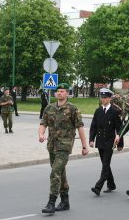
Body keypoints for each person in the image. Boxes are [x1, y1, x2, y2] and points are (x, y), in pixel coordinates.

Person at [38, 83, 89, 214]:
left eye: (62, 91)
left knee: (54, 172)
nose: (59, 93)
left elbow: (80, 128)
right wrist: (41, 134)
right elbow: (43, 123)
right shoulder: (49, 108)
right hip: (52, 146)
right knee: (60, 173)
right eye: (58, 91)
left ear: (67, 93)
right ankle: (65, 201)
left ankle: (51, 202)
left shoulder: (73, 109)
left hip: (64, 147)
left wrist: (84, 146)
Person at [90, 88, 123, 196]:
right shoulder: (98, 111)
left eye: (105, 98)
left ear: (109, 98)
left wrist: (120, 144)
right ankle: (112, 184)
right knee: (105, 165)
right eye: (102, 98)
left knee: (105, 164)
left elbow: (119, 129)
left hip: (110, 142)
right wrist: (91, 139)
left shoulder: (114, 111)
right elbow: (93, 126)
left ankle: (98, 186)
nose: (103, 100)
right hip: (100, 142)